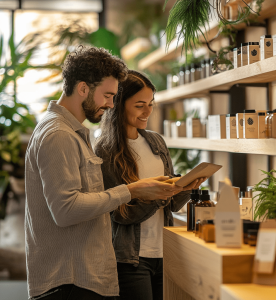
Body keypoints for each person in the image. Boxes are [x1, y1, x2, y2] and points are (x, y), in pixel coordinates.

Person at [25, 46, 183, 300]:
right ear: (83, 88)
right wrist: (131, 190)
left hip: (81, 279)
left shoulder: (73, 133)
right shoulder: (59, 135)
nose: (111, 104)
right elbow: (65, 210)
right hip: (69, 283)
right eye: (108, 95)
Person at [94, 70, 206, 300]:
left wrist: (187, 186)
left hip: (165, 252)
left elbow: (172, 205)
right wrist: (160, 196)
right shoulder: (105, 150)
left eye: (151, 104)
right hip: (130, 260)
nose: (148, 112)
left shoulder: (156, 141)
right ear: (118, 104)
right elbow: (120, 214)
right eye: (139, 105)